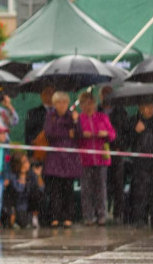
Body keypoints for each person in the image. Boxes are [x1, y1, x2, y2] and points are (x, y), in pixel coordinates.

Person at [122, 103, 153, 228]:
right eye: (147, 107)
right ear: (141, 108)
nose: (150, 110)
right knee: (140, 192)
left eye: (152, 107)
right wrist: (135, 131)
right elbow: (125, 142)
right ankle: (139, 218)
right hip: (140, 164)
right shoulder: (133, 121)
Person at [76, 90, 115, 226]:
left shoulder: (102, 117)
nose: (89, 107)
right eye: (85, 104)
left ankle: (101, 215)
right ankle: (88, 216)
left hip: (101, 158)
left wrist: (106, 133)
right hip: (85, 159)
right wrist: (81, 134)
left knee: (101, 188)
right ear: (81, 106)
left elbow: (112, 134)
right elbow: (74, 135)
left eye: (91, 103)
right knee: (86, 189)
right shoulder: (79, 119)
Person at [43, 91, 81, 228]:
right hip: (54, 159)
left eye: (65, 102)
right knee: (55, 190)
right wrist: (66, 132)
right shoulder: (50, 116)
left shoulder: (72, 116)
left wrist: (76, 122)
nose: (62, 105)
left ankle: (68, 217)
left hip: (69, 160)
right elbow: (49, 133)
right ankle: (55, 217)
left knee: (68, 190)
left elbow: (79, 134)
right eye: (59, 102)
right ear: (54, 103)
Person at [99, 86, 129, 223]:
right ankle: (101, 213)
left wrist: (119, 146)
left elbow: (124, 132)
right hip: (100, 152)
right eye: (104, 94)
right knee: (102, 184)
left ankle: (118, 214)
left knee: (118, 184)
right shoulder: (97, 110)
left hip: (116, 152)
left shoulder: (121, 111)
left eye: (109, 94)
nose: (106, 97)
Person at [4, 152, 31, 229]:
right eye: (25, 161)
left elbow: (37, 193)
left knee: (24, 222)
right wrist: (22, 177)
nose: (28, 163)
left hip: (25, 208)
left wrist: (38, 176)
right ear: (19, 164)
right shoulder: (12, 176)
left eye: (27, 161)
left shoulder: (31, 175)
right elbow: (16, 191)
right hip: (14, 207)